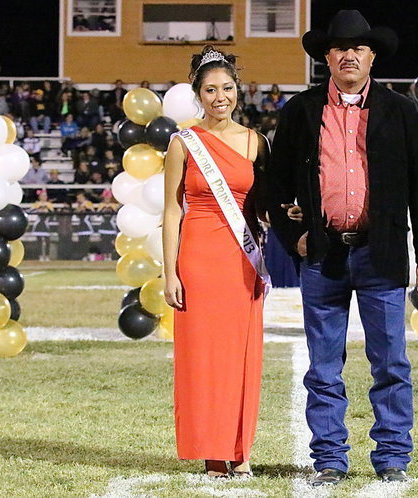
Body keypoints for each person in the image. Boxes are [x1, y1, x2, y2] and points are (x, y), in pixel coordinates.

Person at [266, 10, 418, 486]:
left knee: (391, 363)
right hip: (323, 255)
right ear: (327, 56)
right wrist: (292, 236)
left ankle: (392, 456)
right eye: (340, 48)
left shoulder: (400, 110)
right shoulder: (300, 110)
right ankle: (329, 458)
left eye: (358, 48)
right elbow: (273, 185)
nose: (349, 55)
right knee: (324, 366)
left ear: (371, 57)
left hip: (380, 253)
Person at [161, 45, 275, 479]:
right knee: (204, 357)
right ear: (198, 94)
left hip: (241, 260)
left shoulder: (255, 142)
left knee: (242, 354)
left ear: (237, 91)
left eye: (226, 87)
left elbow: (266, 203)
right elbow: (172, 211)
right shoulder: (182, 143)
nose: (219, 96)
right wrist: (169, 271)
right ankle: (212, 452)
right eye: (210, 89)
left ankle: (240, 449)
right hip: (198, 259)